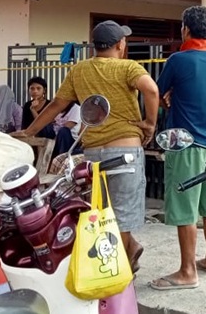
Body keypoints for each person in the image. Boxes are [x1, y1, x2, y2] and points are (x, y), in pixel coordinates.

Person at [14, 20, 158, 274]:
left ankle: (128, 253)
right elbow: (152, 90)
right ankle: (120, 275)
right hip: (125, 151)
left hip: (93, 154)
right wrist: (150, 124)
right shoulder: (128, 67)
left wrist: (30, 131)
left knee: (101, 212)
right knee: (122, 217)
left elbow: (57, 104)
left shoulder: (79, 70)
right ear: (120, 44)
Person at [150, 6, 206, 291]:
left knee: (185, 209)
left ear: (186, 29)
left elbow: (156, 92)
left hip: (185, 142)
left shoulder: (178, 60)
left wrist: (160, 109)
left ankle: (187, 271)